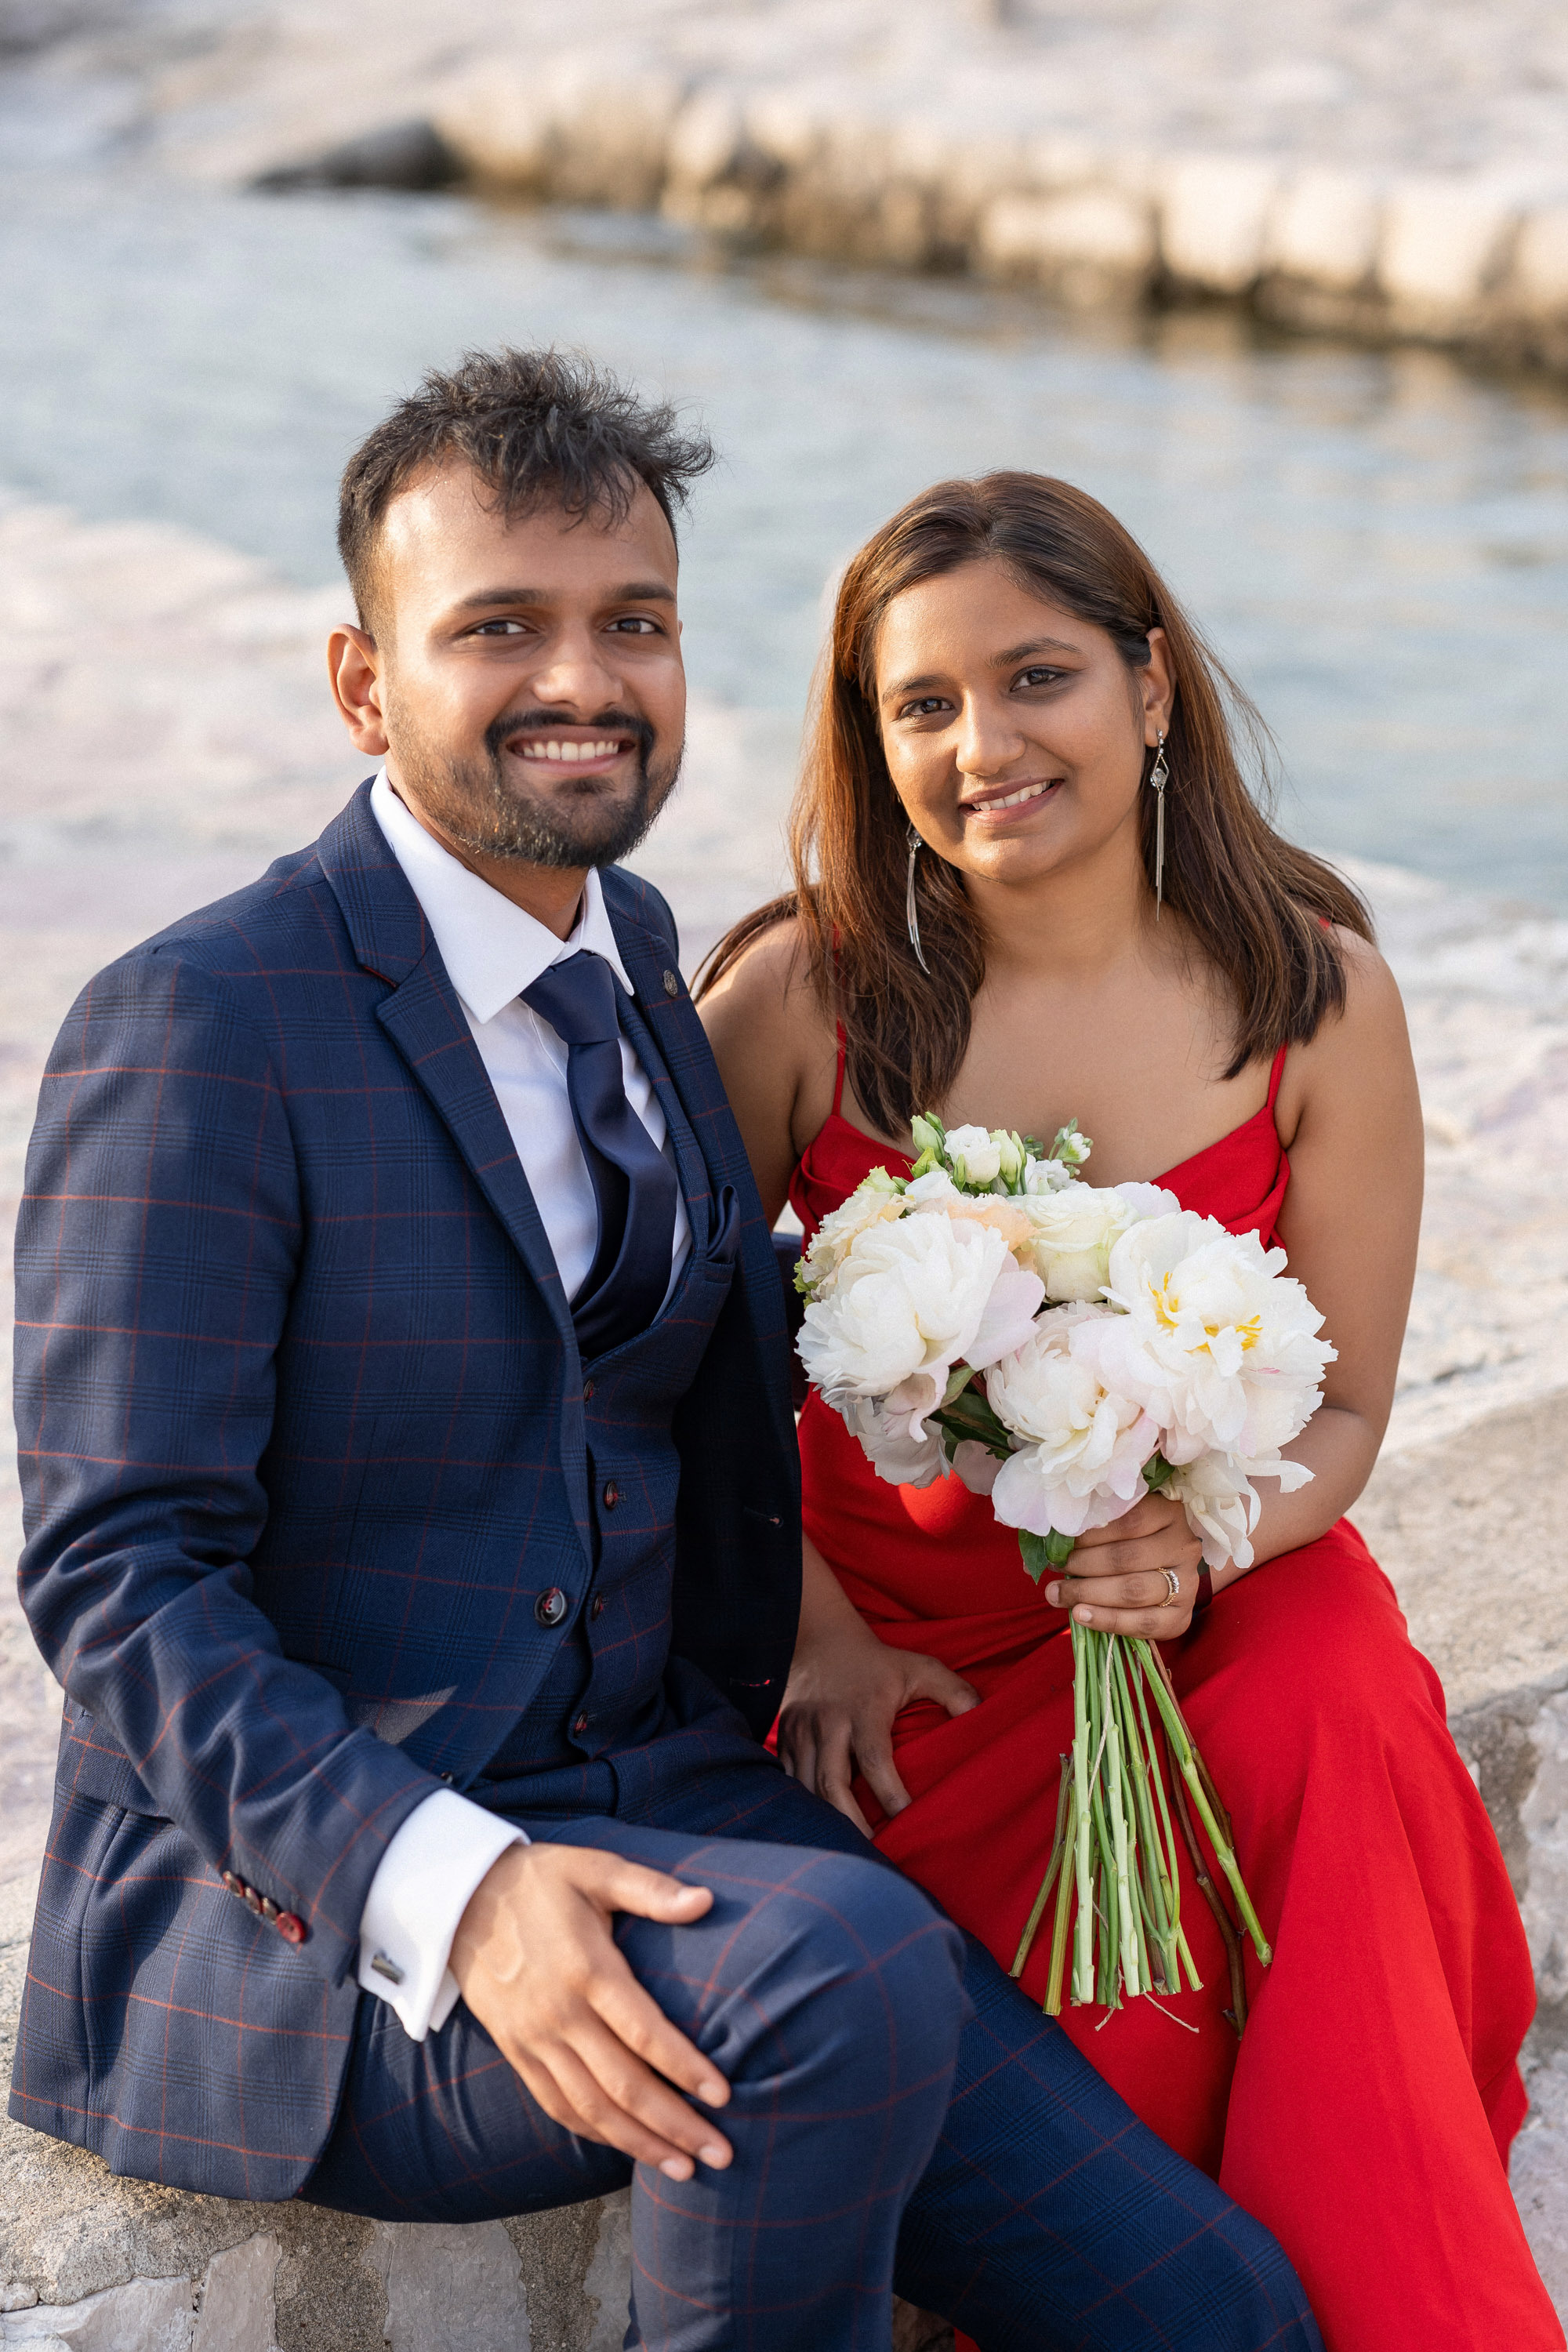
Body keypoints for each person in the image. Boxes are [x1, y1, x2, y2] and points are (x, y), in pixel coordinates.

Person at [8, 358, 1325, 2352]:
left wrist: (816, 1635)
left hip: (671, 1796)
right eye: (500, 630)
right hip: (312, 1930)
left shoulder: (633, 953)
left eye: (633, 622)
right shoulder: (200, 1022)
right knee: (839, 1975)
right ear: (365, 686)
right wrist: (456, 1888)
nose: (585, 679)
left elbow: (672, 1395)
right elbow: (115, 1576)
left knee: (1217, 2313)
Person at [697, 470, 1564, 2352]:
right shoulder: (800, 1000)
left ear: (1151, 686)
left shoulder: (1314, 1000)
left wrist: (1199, 1535)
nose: (980, 745)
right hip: (905, 1659)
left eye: (1036, 679)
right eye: (918, 708)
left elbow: (1338, 1416)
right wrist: (806, 1634)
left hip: (1195, 1599)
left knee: (1321, 1680)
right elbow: (646, 1367)